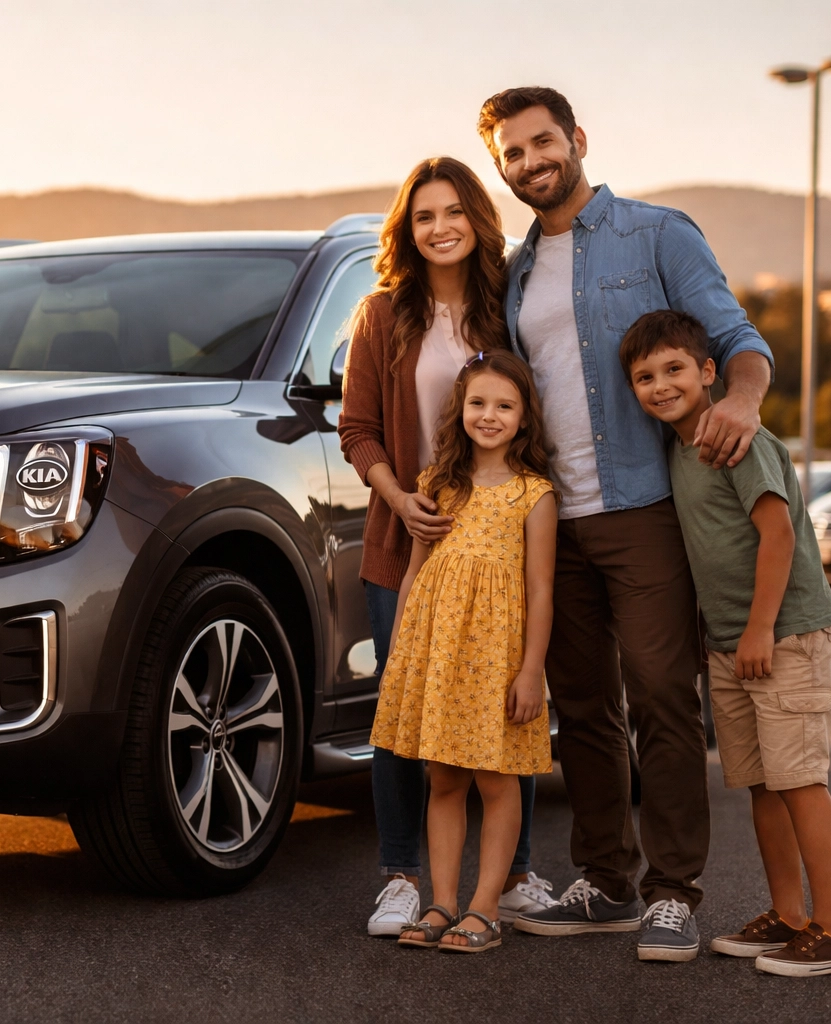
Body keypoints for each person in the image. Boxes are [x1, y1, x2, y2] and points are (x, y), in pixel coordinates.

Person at [474, 86, 777, 962]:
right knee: (584, 710)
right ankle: (605, 883)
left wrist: (746, 401)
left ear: (576, 138)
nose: (531, 162)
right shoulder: (519, 271)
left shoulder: (657, 233)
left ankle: (673, 892)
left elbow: (733, 331)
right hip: (551, 517)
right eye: (513, 154)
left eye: (542, 143)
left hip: (643, 505)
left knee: (660, 700)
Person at [338, 157, 556, 939]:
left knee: (505, 712)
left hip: (498, 547)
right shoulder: (382, 314)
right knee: (407, 714)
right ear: (408, 227)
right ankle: (402, 877)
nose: (440, 228)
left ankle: (516, 874)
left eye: (453, 211)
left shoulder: (509, 313)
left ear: (477, 219)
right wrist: (401, 500)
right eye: (424, 215)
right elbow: (356, 428)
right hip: (410, 547)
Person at [621, 309, 831, 976]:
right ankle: (788, 918)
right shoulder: (675, 448)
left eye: (674, 369)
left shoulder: (737, 438)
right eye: (645, 377)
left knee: (800, 781)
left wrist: (759, 627)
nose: (661, 385)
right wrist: (725, 636)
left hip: (783, 633)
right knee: (761, 785)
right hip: (731, 643)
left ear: (707, 372)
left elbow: (778, 535)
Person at [370, 349, 557, 953]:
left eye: (505, 405)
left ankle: (485, 909)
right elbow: (415, 573)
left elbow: (540, 589)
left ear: (525, 417)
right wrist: (401, 653)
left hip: (496, 660)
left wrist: (531, 671)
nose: (490, 415)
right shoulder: (438, 484)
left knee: (496, 782)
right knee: (443, 777)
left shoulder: (534, 494)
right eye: (478, 403)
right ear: (460, 410)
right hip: (438, 654)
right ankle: (442, 903)